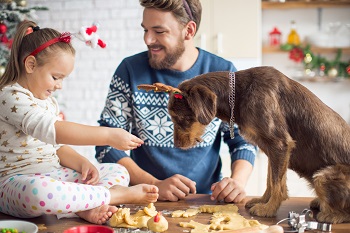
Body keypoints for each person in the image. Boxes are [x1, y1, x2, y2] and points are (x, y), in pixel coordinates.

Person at [96, 0, 256, 203]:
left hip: (207, 200)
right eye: (145, 30)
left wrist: (237, 182)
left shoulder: (225, 75)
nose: (148, 39)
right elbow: (106, 144)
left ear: (188, 31)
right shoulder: (129, 71)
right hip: (142, 200)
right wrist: (154, 185)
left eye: (159, 31)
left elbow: (243, 139)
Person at [0, 20, 159, 225]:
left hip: (54, 176)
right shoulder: (10, 96)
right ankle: (112, 196)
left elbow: (56, 147)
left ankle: (83, 207)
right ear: (30, 65)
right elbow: (52, 131)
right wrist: (109, 135)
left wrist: (83, 164)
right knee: (38, 192)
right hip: (15, 183)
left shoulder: (49, 102)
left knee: (117, 170)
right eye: (56, 77)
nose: (59, 86)